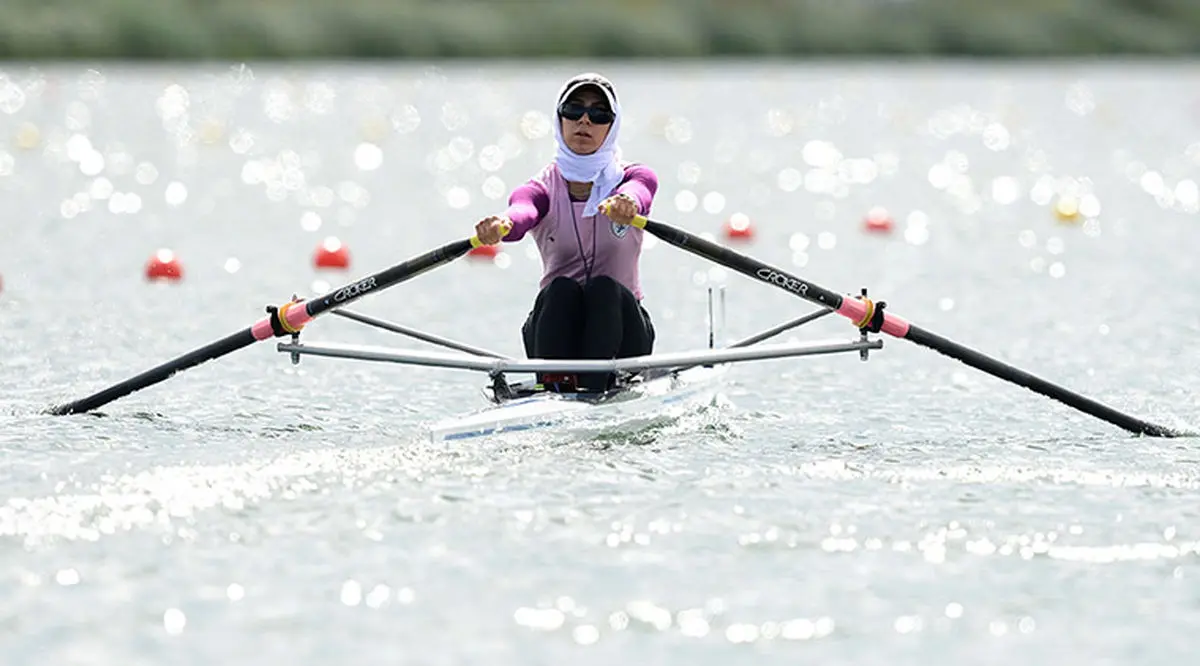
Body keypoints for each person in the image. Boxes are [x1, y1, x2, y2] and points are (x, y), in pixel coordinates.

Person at [473, 72, 658, 393]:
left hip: (626, 339)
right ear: (559, 120)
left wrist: (628, 203)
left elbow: (641, 191)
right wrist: (502, 225)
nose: (584, 120)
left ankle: (605, 385)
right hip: (555, 330)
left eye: (599, 113)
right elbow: (522, 211)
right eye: (574, 110)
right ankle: (555, 386)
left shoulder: (633, 177)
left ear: (612, 126)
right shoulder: (542, 187)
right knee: (560, 290)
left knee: (604, 289)